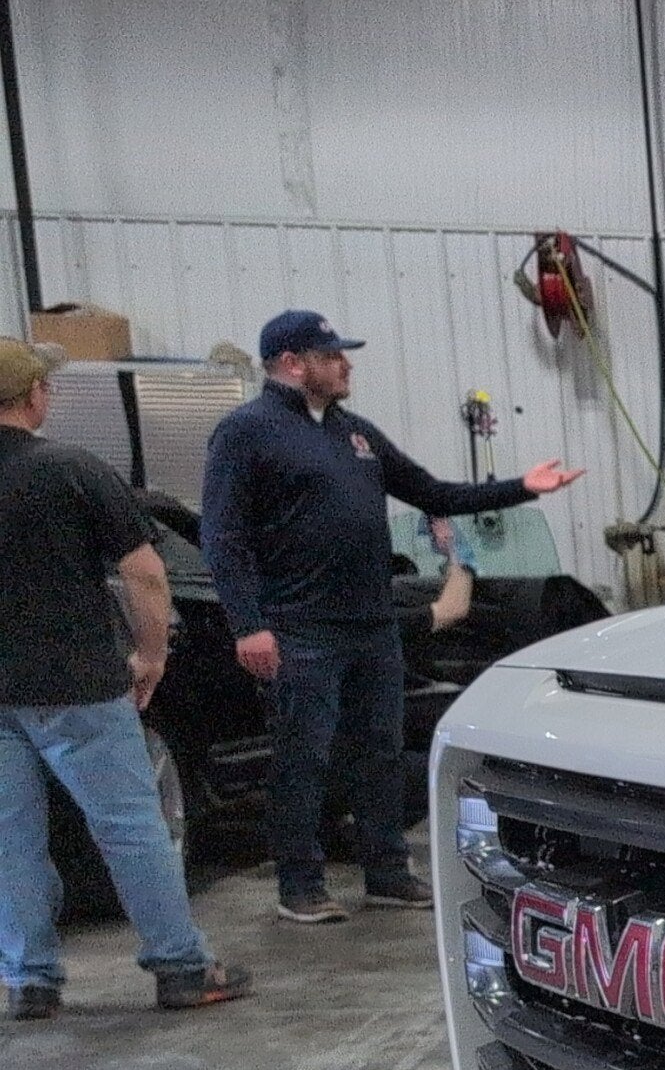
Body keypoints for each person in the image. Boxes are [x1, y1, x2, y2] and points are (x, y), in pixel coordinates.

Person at [199, 310, 576, 925]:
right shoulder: (247, 432)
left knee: (380, 752)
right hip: (300, 628)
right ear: (293, 363)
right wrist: (248, 624)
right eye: (332, 355)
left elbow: (435, 494)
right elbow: (223, 536)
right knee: (304, 756)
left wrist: (522, 487)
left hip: (370, 627)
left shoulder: (356, 434)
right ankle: (299, 882)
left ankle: (386, 870)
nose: (346, 364)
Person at [0, 340, 246, 1014]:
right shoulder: (71, 469)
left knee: (9, 838)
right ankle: (182, 967)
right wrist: (151, 654)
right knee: (131, 826)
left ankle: (28, 981)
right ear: (34, 397)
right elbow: (144, 572)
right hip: (76, 685)